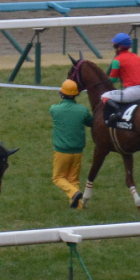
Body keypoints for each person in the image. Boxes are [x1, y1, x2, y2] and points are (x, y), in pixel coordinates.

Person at [50, 80, 94, 209]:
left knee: (58, 177)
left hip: (61, 151)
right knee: (73, 179)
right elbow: (91, 122)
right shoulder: (82, 110)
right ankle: (78, 206)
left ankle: (74, 193)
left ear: (61, 94)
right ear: (76, 95)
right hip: (78, 151)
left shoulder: (55, 109)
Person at [101, 32, 140, 121]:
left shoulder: (117, 60)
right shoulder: (137, 57)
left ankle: (118, 112)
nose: (115, 49)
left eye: (115, 46)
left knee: (104, 96)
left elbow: (113, 80)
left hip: (131, 93)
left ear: (119, 47)